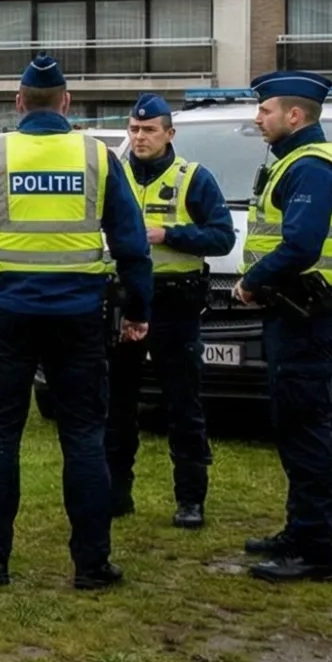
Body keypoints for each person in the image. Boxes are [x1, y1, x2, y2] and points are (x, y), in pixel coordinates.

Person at [0, 55, 151, 589]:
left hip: (8, 316)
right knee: (84, 437)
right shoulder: (98, 158)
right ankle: (92, 564)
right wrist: (139, 311)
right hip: (79, 317)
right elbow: (132, 245)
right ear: (66, 103)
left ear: (18, 103)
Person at [231, 70, 332, 584]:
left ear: (294, 115)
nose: (258, 118)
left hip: (307, 318)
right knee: (299, 426)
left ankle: (312, 549)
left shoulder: (309, 167)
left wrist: (252, 281)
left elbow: (300, 246)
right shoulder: (295, 162)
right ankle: (301, 531)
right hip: (300, 315)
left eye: (265, 110)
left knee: (304, 428)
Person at [109, 92, 233, 527]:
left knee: (183, 405)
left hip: (174, 304)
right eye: (134, 129)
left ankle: (190, 500)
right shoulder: (114, 175)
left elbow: (222, 238)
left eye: (149, 130)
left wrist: (168, 234)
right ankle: (116, 493)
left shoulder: (193, 178)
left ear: (169, 134)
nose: (139, 137)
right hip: (124, 300)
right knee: (118, 403)